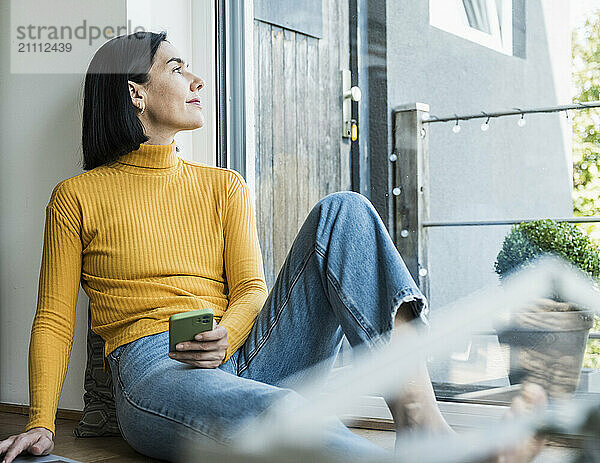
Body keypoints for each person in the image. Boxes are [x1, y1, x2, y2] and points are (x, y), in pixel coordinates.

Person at [0, 31, 546, 463]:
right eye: (176, 68)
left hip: (246, 355)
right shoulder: (77, 197)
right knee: (282, 413)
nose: (196, 79)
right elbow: (52, 320)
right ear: (135, 91)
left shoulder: (222, 185)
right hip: (155, 373)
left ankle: (422, 426)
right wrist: (41, 421)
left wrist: (227, 336)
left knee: (346, 211)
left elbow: (251, 290)